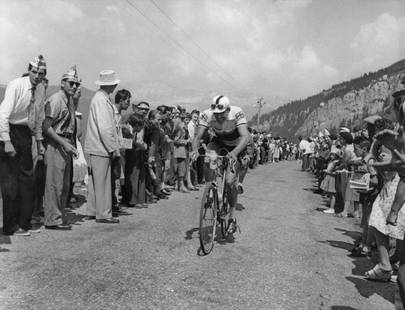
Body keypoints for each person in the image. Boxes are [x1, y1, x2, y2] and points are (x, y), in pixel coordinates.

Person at [0, 55, 47, 236]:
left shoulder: (40, 89)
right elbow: (3, 115)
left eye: (40, 73)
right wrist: (7, 141)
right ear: (29, 70)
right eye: (34, 72)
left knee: (27, 180)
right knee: (10, 182)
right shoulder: (16, 85)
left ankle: (24, 223)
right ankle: (10, 226)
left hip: (25, 133)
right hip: (9, 131)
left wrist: (39, 141)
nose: (37, 76)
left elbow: (37, 118)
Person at [191, 95, 250, 232]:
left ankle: (231, 218)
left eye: (221, 114)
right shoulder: (207, 114)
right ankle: (211, 187)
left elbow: (245, 137)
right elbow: (198, 136)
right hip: (219, 142)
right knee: (208, 156)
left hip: (237, 145)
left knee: (230, 182)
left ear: (228, 110)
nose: (218, 117)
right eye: (216, 114)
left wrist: (235, 153)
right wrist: (194, 150)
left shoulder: (237, 112)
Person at [42, 66, 80, 230]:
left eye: (77, 84)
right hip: (56, 143)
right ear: (63, 82)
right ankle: (52, 219)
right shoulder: (56, 100)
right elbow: (46, 127)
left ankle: (59, 215)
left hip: (66, 143)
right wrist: (64, 143)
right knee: (54, 183)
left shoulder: (69, 100)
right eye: (71, 83)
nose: (74, 87)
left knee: (64, 184)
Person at [84, 70, 121, 224]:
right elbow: (105, 128)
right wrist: (113, 148)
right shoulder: (102, 100)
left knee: (95, 181)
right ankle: (104, 213)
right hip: (101, 147)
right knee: (104, 182)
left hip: (96, 146)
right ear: (111, 84)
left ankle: (93, 210)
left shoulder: (99, 98)